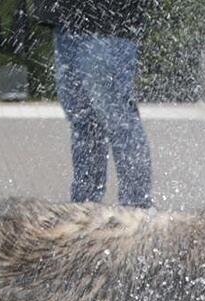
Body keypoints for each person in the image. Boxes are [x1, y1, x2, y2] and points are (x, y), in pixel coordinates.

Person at [35, 0, 153, 208]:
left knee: (119, 121)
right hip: (66, 21)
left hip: (110, 21)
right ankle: (85, 212)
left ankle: (137, 212)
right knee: (83, 124)